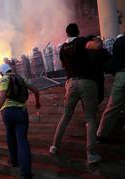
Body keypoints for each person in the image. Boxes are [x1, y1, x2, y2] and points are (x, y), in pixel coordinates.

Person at [49, 23, 101, 164]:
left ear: (67, 34)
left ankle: (54, 146)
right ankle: (91, 154)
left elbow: (64, 66)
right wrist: (97, 39)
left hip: (71, 83)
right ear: (78, 32)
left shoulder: (62, 49)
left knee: (66, 115)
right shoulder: (82, 41)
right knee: (90, 118)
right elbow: (96, 47)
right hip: (86, 82)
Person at [0, 63, 40, 179]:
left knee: (10, 136)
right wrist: (37, 101)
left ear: (2, 71)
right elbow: (35, 90)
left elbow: (3, 94)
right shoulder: (21, 77)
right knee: (22, 140)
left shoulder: (4, 78)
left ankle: (14, 161)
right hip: (21, 112)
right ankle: (26, 172)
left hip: (7, 112)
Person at [97, 34, 125, 142]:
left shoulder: (119, 42)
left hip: (122, 75)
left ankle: (101, 134)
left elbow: (114, 61)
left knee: (113, 106)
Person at [85, 36, 112, 104]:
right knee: (99, 97)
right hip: (98, 78)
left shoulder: (84, 53)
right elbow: (110, 63)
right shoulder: (102, 51)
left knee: (89, 99)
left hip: (86, 79)